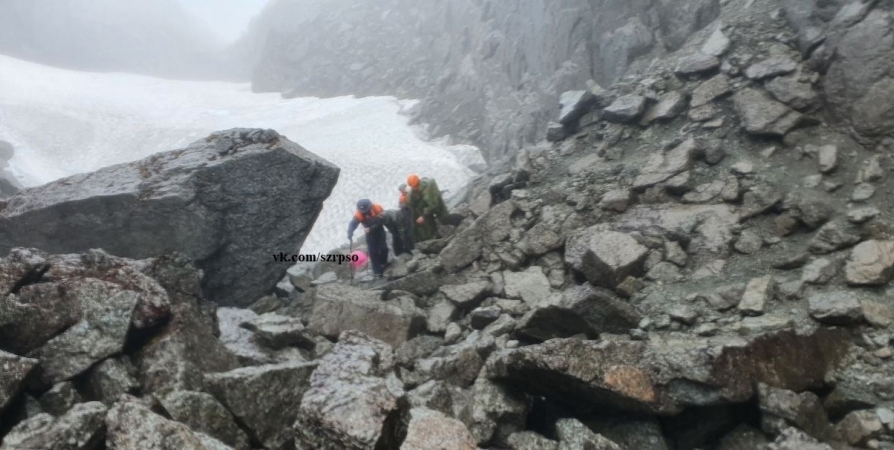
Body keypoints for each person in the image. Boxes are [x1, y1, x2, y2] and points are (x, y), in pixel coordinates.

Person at [347, 199, 389, 278]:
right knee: (373, 252)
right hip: (370, 234)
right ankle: (377, 271)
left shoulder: (377, 208)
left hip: (379, 231)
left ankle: (383, 263)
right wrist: (350, 232)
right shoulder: (359, 214)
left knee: (384, 248)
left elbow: (382, 220)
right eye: (363, 211)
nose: (365, 212)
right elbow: (352, 224)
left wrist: (371, 228)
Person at [406, 174, 448, 243]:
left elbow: (432, 205)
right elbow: (413, 207)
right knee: (427, 228)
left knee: (445, 219)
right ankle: (435, 240)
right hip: (425, 208)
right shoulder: (412, 194)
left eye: (415, 186)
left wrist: (423, 216)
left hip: (435, 205)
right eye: (413, 187)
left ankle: (461, 220)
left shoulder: (427, 188)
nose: (414, 188)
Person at [383, 184, 414, 256]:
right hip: (404, 214)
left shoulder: (410, 194)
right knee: (404, 233)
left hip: (409, 213)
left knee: (408, 231)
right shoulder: (402, 197)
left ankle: (409, 247)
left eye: (402, 189)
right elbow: (400, 206)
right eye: (400, 190)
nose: (401, 191)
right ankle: (405, 249)